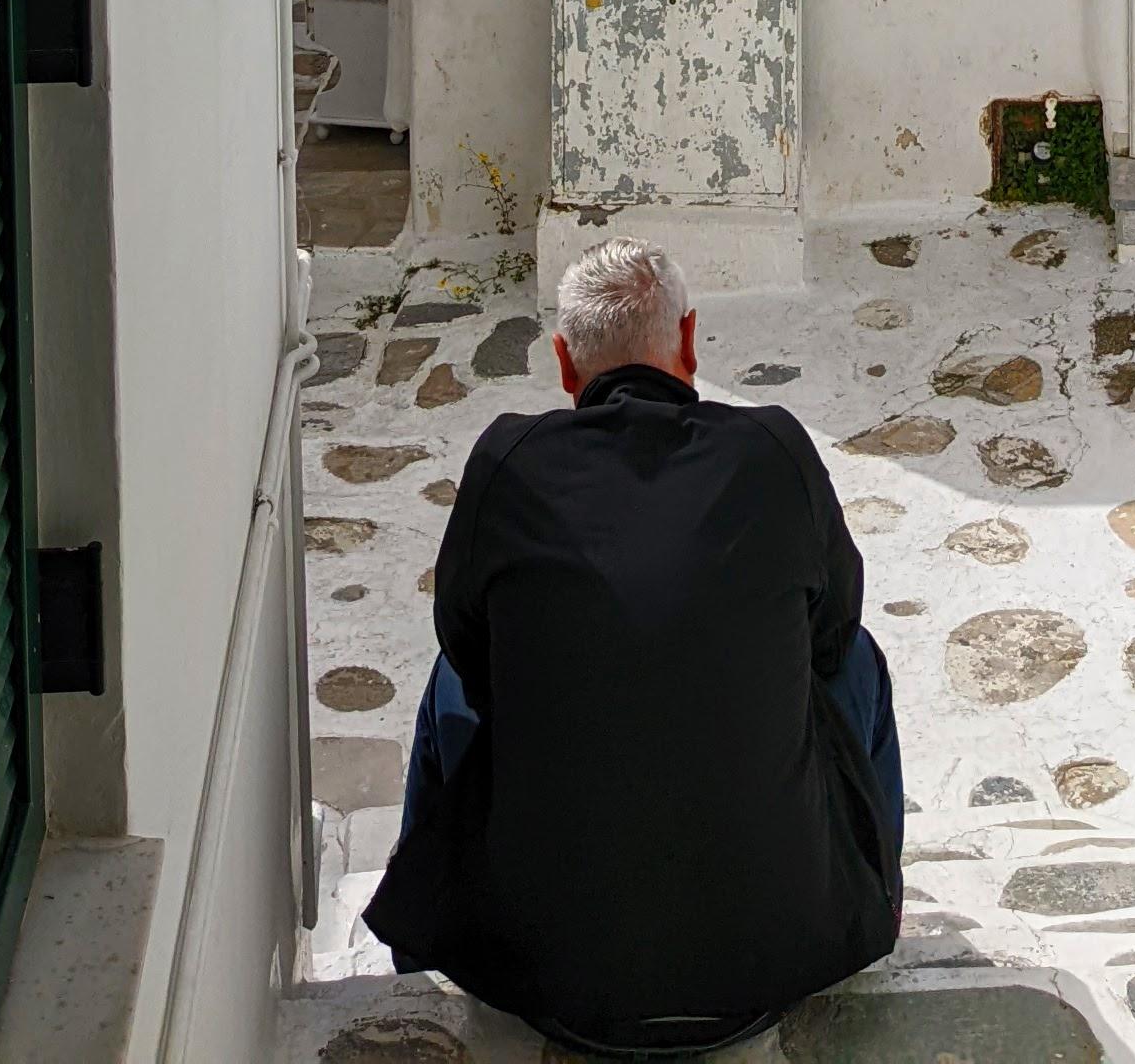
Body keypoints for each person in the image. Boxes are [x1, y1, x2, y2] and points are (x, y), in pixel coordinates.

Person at [363, 237, 903, 1055]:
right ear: (687, 342)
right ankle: (872, 898)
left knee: (454, 677)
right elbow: (834, 633)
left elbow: (467, 648)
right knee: (856, 658)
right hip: (774, 963)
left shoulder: (509, 461)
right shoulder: (774, 450)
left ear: (564, 363)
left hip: (548, 983)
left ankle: (426, 944)